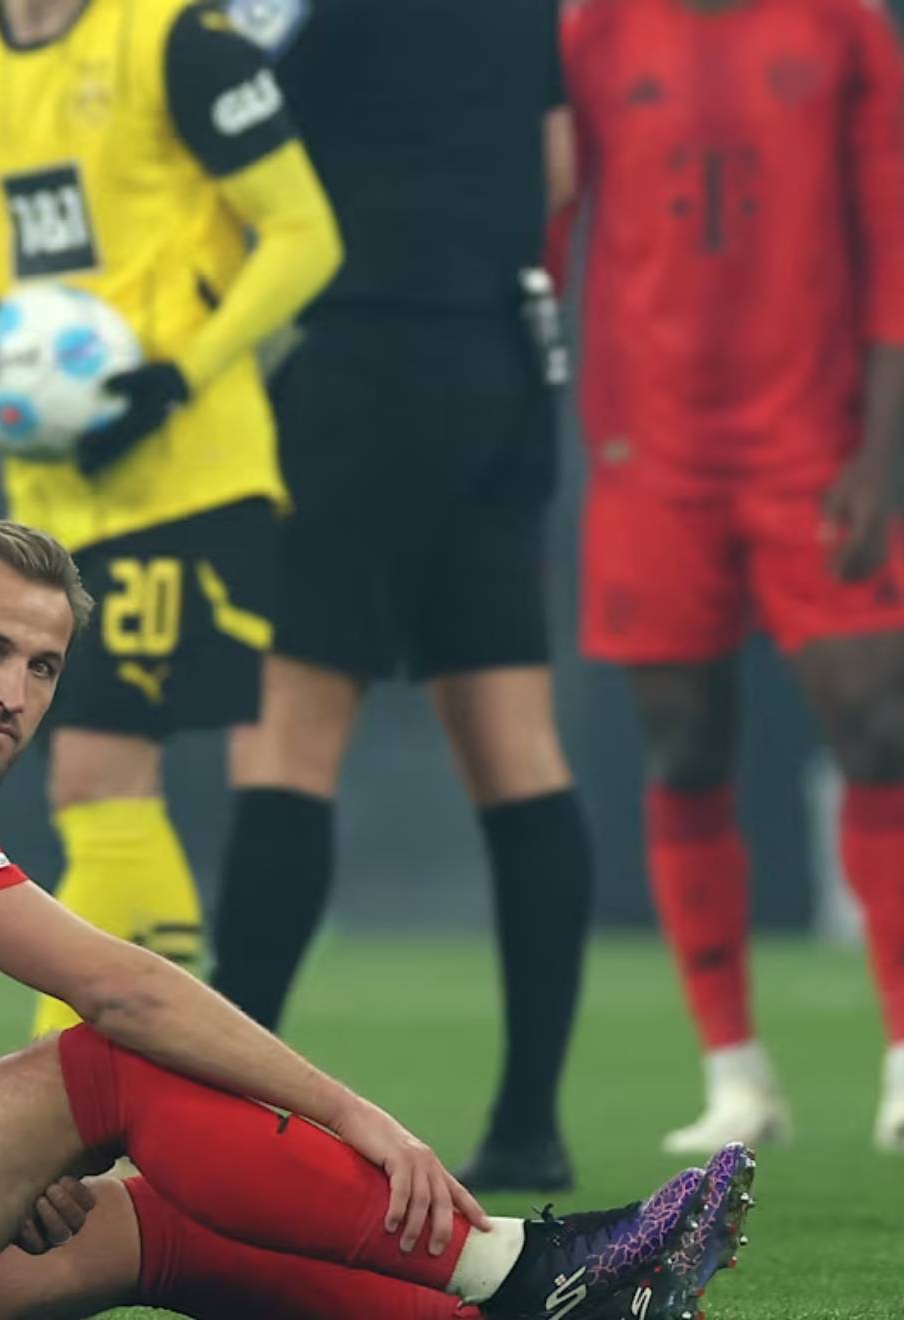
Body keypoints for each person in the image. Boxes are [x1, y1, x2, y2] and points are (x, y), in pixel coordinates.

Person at [0, 518, 757, 1320]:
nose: (14, 692)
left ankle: (541, 1305)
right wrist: (356, 1114)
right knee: (107, 1070)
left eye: (42, 668)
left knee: (158, 1223)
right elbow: (122, 994)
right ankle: (528, 1267)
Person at [557, 0, 904, 1154]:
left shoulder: (841, 24)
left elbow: (895, 242)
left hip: (813, 449)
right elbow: (554, 225)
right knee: (684, 746)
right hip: (649, 457)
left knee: (873, 722)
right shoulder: (595, 28)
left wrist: (876, 453)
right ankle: (734, 1078)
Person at [0, 0, 342, 1037]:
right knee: (110, 795)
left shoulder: (176, 40)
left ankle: (61, 1110)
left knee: (95, 775)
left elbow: (306, 234)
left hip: (195, 477)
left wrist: (181, 375)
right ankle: (156, 1078)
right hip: (50, 501)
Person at [209, 0, 595, 1194]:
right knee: (516, 747)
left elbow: (230, 142)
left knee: (286, 738)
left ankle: (221, 1102)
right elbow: (560, 166)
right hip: (501, 365)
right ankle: (530, 1120)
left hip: (354, 364)